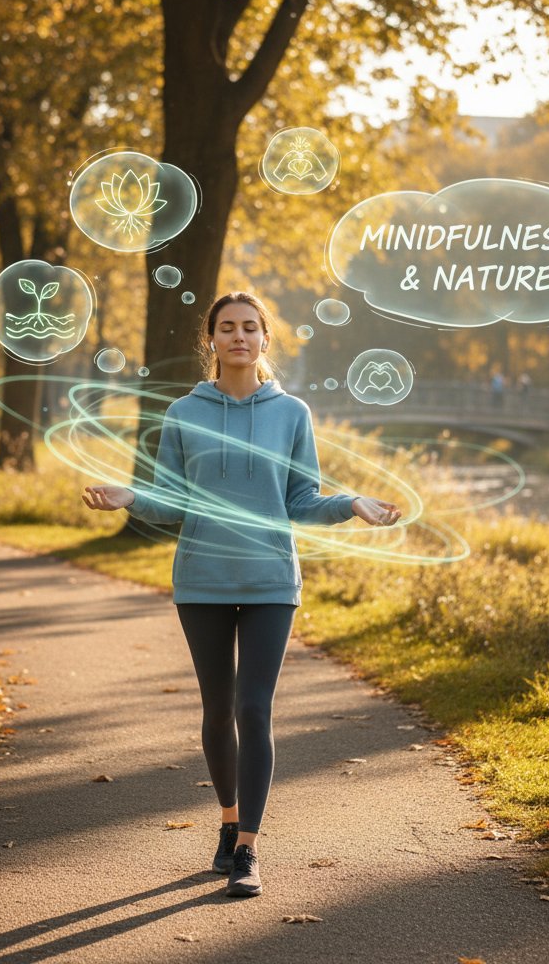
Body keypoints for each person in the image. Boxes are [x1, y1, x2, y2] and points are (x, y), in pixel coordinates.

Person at [82, 291, 400, 898]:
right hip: (201, 579)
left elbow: (301, 499)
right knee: (218, 709)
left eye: (250, 328)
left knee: (254, 709)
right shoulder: (183, 412)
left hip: (270, 582)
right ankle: (228, 821)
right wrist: (132, 498)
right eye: (227, 327)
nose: (239, 337)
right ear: (212, 339)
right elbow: (172, 501)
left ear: (265, 339)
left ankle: (249, 849)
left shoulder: (292, 413)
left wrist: (351, 503)